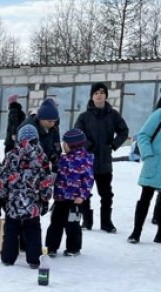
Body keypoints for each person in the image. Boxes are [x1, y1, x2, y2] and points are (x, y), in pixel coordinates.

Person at [0, 124, 54, 268]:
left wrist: (1, 197)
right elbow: (45, 180)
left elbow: (3, 178)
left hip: (13, 202)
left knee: (11, 230)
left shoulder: (11, 155)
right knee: (33, 230)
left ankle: (8, 258)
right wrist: (45, 199)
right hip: (32, 203)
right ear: (37, 138)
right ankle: (34, 259)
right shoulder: (42, 157)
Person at [74, 82, 129, 233]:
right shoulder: (84, 117)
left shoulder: (113, 115)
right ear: (92, 96)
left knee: (106, 194)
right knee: (84, 192)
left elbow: (124, 131)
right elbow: (77, 134)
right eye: (96, 93)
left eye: (102, 92)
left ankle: (106, 222)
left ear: (106, 95)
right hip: (87, 162)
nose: (99, 95)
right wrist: (88, 145)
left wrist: (113, 145)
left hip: (105, 162)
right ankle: (87, 220)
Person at [44, 129, 93, 256]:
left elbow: (88, 180)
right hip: (60, 199)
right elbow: (55, 174)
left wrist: (82, 196)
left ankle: (73, 248)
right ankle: (51, 247)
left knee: (73, 225)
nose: (62, 145)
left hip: (75, 201)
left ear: (71, 144)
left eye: (64, 143)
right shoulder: (62, 159)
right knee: (56, 223)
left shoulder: (85, 160)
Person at [127, 102, 161, 244]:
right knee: (145, 198)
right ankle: (136, 233)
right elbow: (143, 135)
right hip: (155, 163)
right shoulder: (159, 114)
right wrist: (148, 155)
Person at [19, 98, 61, 169]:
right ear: (41, 118)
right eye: (49, 121)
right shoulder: (28, 128)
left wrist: (54, 156)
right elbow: (24, 149)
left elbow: (56, 144)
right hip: (29, 166)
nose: (52, 124)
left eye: (54, 121)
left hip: (44, 164)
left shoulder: (54, 127)